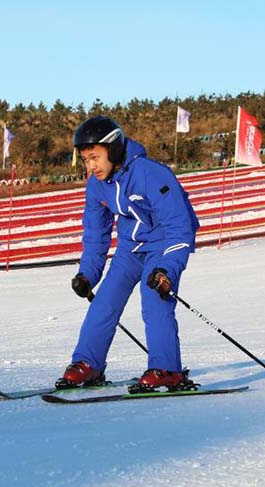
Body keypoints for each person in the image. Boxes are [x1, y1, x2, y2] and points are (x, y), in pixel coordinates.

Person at [57, 116, 200, 392]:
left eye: (95, 158)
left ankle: (167, 369)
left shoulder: (151, 174)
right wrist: (87, 274)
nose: (91, 166)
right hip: (129, 249)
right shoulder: (96, 185)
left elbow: (179, 227)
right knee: (104, 302)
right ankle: (88, 364)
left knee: (154, 300)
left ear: (113, 150)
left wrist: (168, 269)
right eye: (85, 160)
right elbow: (96, 235)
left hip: (162, 246)